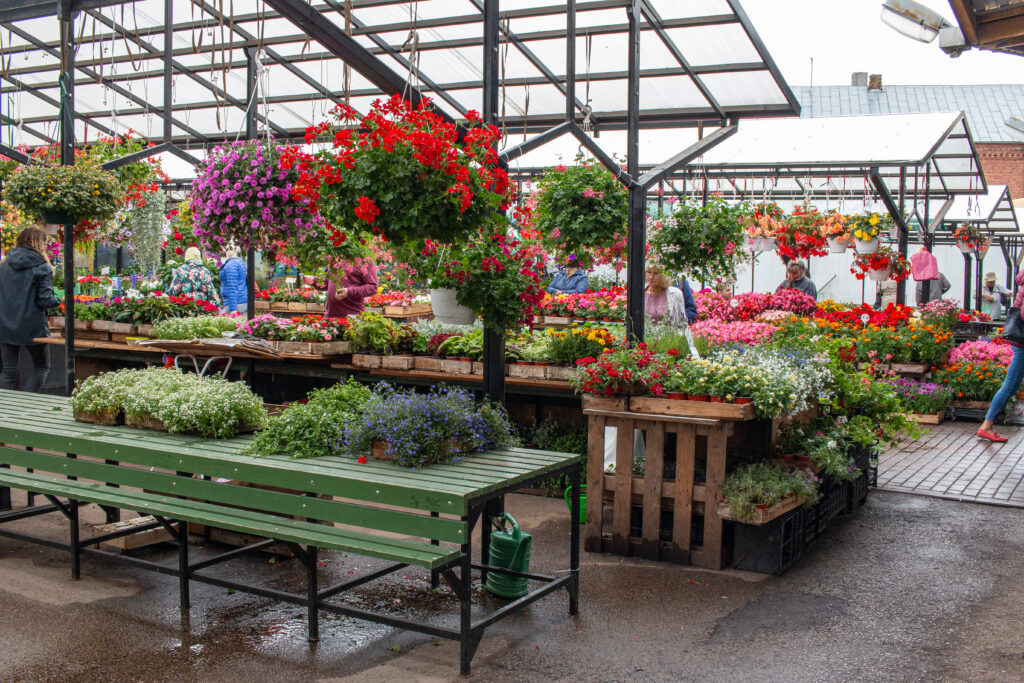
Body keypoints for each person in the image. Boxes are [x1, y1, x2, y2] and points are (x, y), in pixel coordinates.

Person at [0, 228, 61, 392]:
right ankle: (27, 401)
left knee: (8, 372)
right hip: (32, 327)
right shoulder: (42, 267)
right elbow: (45, 300)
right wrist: (61, 300)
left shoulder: (4, 265)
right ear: (39, 243)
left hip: (5, 324)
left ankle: (3, 409)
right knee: (41, 367)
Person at [978, 270, 1024, 442]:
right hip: (1022, 342)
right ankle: (986, 425)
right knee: (1010, 385)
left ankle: (987, 425)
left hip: (1020, 341)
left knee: (1012, 386)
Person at [219, 246, 248, 314]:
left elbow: (232, 288)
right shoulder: (239, 261)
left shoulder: (231, 265)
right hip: (242, 301)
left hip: (236, 303)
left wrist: (233, 309)